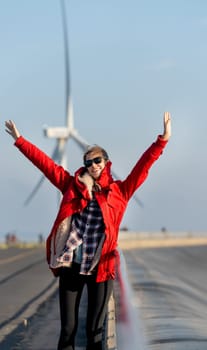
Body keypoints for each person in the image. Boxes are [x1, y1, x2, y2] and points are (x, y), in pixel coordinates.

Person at [5, 112, 171, 350]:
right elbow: (46, 164)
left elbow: (143, 167)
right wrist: (20, 141)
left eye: (96, 161)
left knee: (95, 332)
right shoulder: (71, 186)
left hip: (100, 269)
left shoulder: (120, 192)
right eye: (87, 162)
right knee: (68, 330)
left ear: (106, 162)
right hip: (71, 265)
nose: (92, 166)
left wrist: (162, 140)